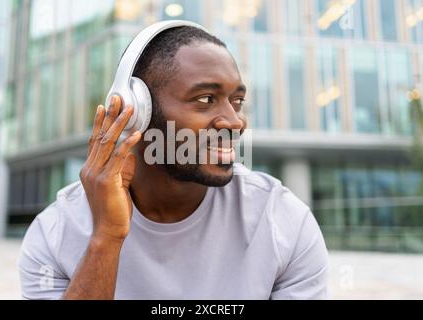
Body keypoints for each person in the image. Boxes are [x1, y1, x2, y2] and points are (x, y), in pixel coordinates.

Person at [19, 23, 329, 300]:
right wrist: (106, 237)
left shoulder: (283, 221)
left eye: (237, 102)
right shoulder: (55, 233)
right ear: (137, 110)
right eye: (206, 99)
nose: (235, 122)